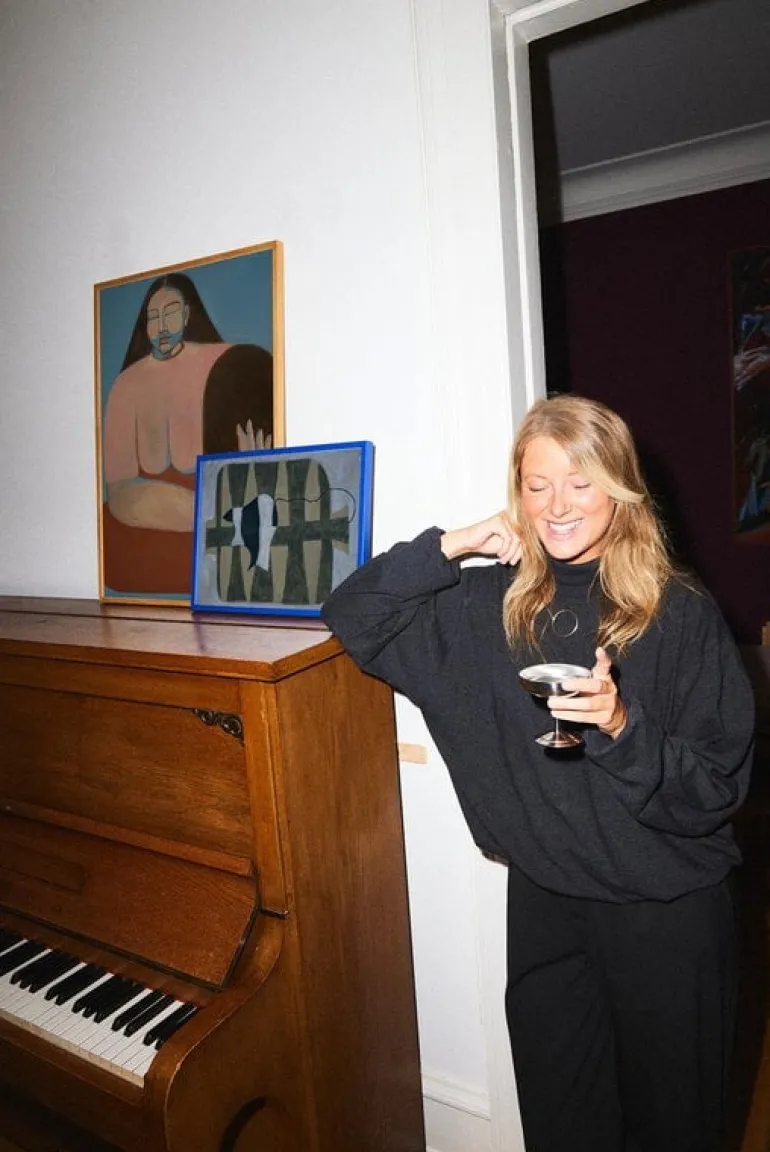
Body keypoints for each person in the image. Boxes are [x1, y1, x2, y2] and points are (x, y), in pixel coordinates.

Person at [320, 394, 755, 1152]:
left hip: (664, 914)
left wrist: (621, 728)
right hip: (546, 907)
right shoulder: (484, 608)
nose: (558, 506)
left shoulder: (677, 613)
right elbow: (351, 613)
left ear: (619, 490)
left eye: (580, 483)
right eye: (537, 484)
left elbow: (716, 790)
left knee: (673, 1128)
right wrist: (451, 545)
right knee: (561, 1124)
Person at [102, 272, 274, 594]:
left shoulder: (226, 363)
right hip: (147, 534)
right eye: (153, 317)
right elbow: (120, 495)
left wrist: (249, 474)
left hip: (226, 526)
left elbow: (260, 462)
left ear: (186, 315)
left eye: (170, 313)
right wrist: (209, 511)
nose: (161, 327)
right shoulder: (126, 385)